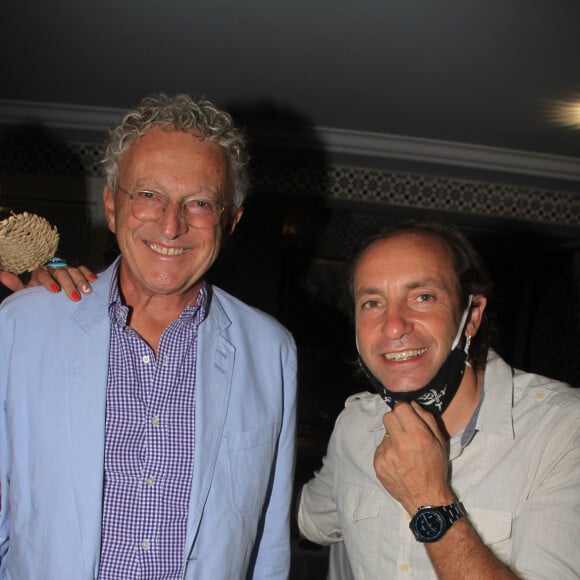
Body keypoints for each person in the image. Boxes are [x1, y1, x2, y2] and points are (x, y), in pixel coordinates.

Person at [0, 94, 297, 579]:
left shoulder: (270, 351)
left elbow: (268, 543)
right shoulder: (24, 325)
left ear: (230, 222)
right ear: (112, 204)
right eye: (148, 195)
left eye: (199, 202)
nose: (171, 224)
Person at [298, 218, 580, 579]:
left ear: (472, 316)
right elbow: (309, 519)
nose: (394, 325)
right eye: (372, 302)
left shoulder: (561, 431)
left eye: (422, 297)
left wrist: (428, 499)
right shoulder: (355, 426)